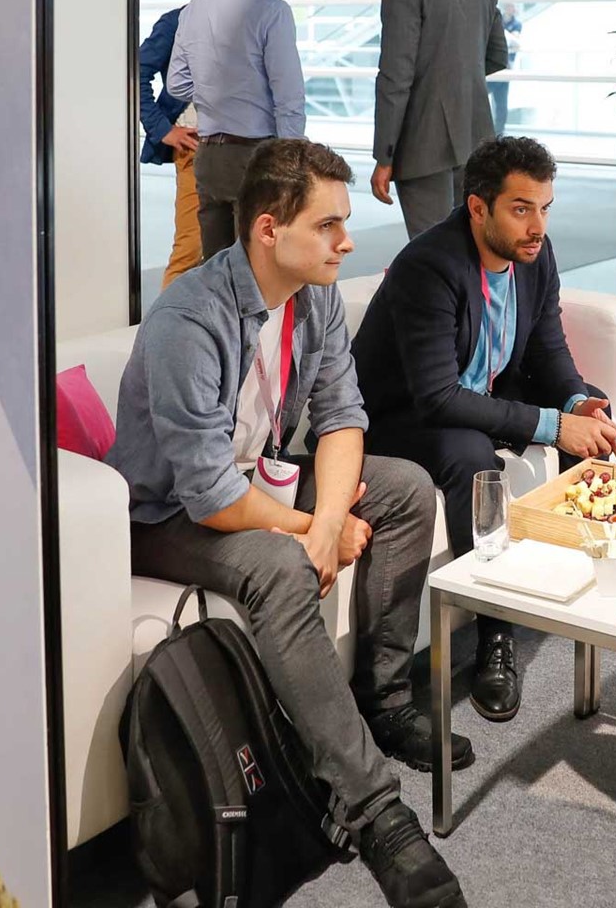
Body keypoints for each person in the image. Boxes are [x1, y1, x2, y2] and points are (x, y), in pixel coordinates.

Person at [105, 139, 470, 908]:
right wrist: (311, 529)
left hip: (256, 482)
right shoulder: (188, 320)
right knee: (280, 566)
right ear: (269, 230)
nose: (347, 241)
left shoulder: (315, 297)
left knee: (405, 489)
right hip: (165, 515)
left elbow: (343, 416)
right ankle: (377, 815)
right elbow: (208, 495)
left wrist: (327, 520)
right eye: (328, 225)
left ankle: (383, 702)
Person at [352, 136, 616, 722]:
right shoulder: (429, 266)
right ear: (478, 208)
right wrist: (551, 426)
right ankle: (494, 635)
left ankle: (581, 584)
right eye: (521, 209)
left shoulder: (535, 255)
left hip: (478, 394)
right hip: (400, 416)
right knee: (472, 454)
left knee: (590, 409)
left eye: (545, 208)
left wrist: (576, 403)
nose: (538, 227)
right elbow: (436, 397)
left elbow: (546, 349)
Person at [371, 0, 508, 239]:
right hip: (477, 137)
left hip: (423, 144)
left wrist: (384, 156)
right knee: (473, 245)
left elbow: (396, 75)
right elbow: (496, 54)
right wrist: (457, 77)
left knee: (431, 250)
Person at [168, 0, 307, 261]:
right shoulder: (272, 9)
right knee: (260, 264)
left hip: (209, 156)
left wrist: (215, 90)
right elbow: (288, 94)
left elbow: (176, 84)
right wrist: (292, 159)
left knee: (216, 264)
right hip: (256, 155)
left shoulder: (193, 9)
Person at [138, 0, 228, 288]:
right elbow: (137, 73)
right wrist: (163, 129)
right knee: (190, 248)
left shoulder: (246, 22)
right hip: (195, 146)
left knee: (237, 248)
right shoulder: (176, 22)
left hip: (240, 147)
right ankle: (167, 320)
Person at [487, 3, 521, 135]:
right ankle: (493, 131)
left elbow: (516, 42)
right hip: (495, 66)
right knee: (487, 97)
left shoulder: (515, 24)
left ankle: (499, 132)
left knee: (501, 101)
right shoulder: (497, 20)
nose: (511, 9)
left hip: (505, 68)